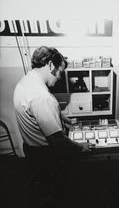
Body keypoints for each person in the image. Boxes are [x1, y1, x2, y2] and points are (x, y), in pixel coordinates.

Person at [13, 46, 92, 189]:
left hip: (31, 151)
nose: (60, 77)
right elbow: (57, 140)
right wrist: (81, 147)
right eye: (60, 72)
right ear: (50, 65)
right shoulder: (42, 96)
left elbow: (36, 114)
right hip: (46, 157)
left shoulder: (25, 82)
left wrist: (64, 120)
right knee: (57, 194)